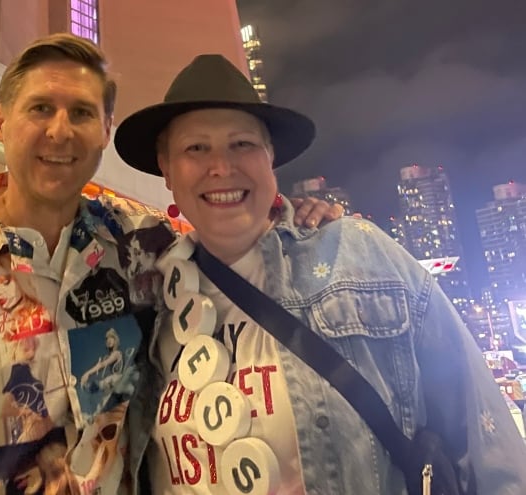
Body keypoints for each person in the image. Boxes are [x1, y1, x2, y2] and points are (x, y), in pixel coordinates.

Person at [0, 34, 342, 495]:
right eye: (40, 109)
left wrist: (303, 221)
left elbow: (229, 224)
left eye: (81, 113)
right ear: (1, 122)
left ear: (104, 129)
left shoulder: (140, 245)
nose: (59, 131)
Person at [114, 53, 526, 494]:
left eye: (242, 144)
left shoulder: (363, 258)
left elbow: (489, 449)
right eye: (196, 148)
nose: (221, 167)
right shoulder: (153, 300)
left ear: (270, 157)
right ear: (167, 169)